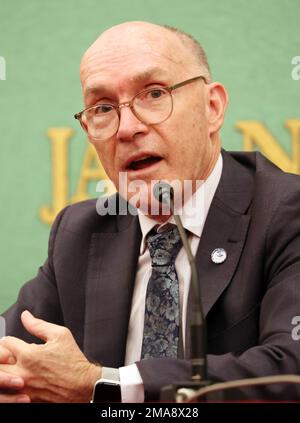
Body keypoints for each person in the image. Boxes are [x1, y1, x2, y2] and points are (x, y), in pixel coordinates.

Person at [0, 20, 300, 403]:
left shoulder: (287, 211)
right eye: (103, 107)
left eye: (154, 94)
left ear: (212, 108)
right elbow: (12, 347)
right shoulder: (82, 230)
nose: (127, 129)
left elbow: (289, 371)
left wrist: (101, 387)